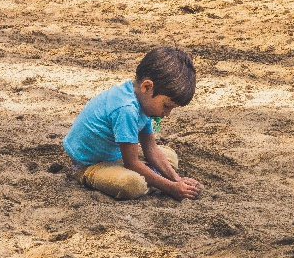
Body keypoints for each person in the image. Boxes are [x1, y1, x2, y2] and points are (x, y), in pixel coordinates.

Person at [63, 47, 204, 200]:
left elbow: (150, 148)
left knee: (170, 157)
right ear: (147, 87)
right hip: (90, 165)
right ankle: (149, 179)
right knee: (132, 184)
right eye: (166, 106)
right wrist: (171, 188)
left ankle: (151, 178)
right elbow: (132, 163)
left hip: (116, 156)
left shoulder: (143, 101)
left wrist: (177, 179)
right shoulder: (126, 109)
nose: (167, 114)